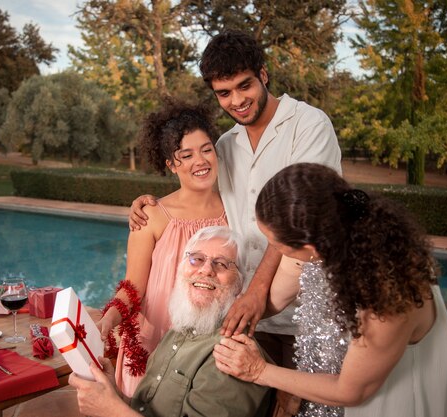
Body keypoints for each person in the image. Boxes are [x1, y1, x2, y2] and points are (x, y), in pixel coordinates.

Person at [128, 29, 341, 368]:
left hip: (305, 312)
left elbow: (299, 219)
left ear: (264, 75)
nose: (237, 100)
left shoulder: (309, 125)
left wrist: (258, 292)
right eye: (224, 93)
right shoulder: (225, 145)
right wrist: (151, 202)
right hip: (241, 316)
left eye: (245, 85)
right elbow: (197, 185)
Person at [213, 163, 447, 417]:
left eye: (277, 244)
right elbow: (272, 300)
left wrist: (258, 371)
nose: (274, 250)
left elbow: (351, 391)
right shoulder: (323, 234)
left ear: (311, 248)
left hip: (396, 400)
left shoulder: (386, 292)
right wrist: (216, 315)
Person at [96, 100, 227, 398]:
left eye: (206, 149)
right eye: (186, 154)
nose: (201, 161)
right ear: (170, 164)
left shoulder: (234, 213)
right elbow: (133, 288)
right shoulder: (151, 215)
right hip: (153, 343)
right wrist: (109, 319)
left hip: (209, 350)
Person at [70, 226, 273, 417]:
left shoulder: (233, 354)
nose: (206, 270)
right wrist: (112, 394)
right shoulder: (180, 330)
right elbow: (145, 409)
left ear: (240, 283)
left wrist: (112, 410)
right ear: (181, 268)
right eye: (196, 259)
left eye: (221, 264)